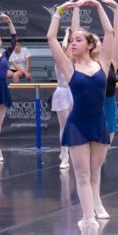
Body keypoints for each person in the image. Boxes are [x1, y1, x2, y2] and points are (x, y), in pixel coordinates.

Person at [45, 0, 117, 235]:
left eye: (77, 40)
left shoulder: (103, 63)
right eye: (72, 40)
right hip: (77, 124)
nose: (72, 43)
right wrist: (59, 11)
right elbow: (51, 38)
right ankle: (89, 221)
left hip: (99, 123)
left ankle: (91, 216)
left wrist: (98, 6)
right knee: (83, 175)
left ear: (89, 44)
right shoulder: (68, 67)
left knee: (95, 173)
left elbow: (110, 32)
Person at [0, 13, 17, 162]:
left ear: (1, 42)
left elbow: (14, 40)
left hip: (2, 88)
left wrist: (9, 22)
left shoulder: (5, 55)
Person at [52, 27, 75, 169]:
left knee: (72, 125)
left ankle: (67, 151)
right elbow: (64, 47)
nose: (68, 50)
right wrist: (67, 34)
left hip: (71, 92)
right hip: (61, 93)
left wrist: (72, 38)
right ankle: (64, 155)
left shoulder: (72, 61)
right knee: (64, 126)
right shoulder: (59, 62)